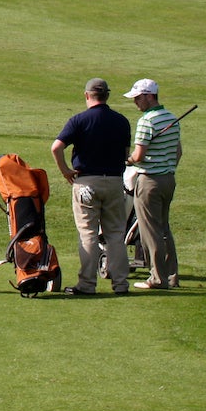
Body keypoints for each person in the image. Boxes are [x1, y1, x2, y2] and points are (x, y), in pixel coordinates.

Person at [52, 77, 132, 295]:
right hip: (115, 181)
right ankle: (121, 284)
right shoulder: (122, 121)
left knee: (88, 233)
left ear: (87, 95)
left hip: (86, 182)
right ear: (107, 95)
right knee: (115, 233)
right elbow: (126, 155)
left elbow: (56, 147)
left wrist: (66, 171)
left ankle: (87, 284)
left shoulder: (79, 120)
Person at [124, 78, 181, 289]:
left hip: (149, 181)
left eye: (138, 98)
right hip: (168, 179)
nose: (136, 102)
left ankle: (157, 278)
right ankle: (172, 276)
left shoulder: (146, 121)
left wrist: (126, 159)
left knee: (151, 231)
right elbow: (178, 151)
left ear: (149, 96)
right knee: (164, 229)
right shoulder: (171, 117)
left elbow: (138, 155)